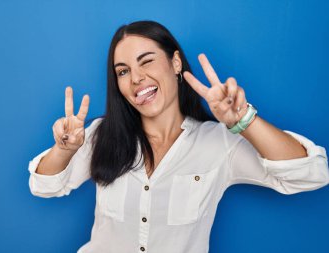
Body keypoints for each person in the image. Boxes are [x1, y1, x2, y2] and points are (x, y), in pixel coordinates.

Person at [28, 20, 329, 253]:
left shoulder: (219, 143)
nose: (136, 78)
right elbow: (44, 185)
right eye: (122, 71)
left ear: (174, 63)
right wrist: (64, 149)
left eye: (146, 61)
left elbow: (310, 173)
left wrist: (244, 121)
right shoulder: (100, 135)